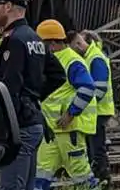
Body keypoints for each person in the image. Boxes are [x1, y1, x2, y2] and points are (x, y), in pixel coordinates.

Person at [0, 0, 65, 190]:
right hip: (33, 121)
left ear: (8, 7)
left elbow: (10, 87)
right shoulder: (34, 38)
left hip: (19, 125)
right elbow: (58, 75)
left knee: (11, 186)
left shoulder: (14, 40)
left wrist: (20, 105)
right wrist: (33, 97)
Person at [35, 19, 98, 190]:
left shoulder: (71, 61)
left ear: (53, 44)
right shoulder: (54, 60)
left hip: (69, 130)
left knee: (81, 176)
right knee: (40, 175)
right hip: (52, 130)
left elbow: (87, 87)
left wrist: (71, 113)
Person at [69, 30, 114, 185]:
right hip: (97, 110)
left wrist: (85, 101)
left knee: (96, 147)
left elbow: (100, 88)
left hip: (99, 111)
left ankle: (102, 177)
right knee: (94, 146)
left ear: (79, 44)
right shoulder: (92, 56)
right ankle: (100, 176)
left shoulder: (95, 58)